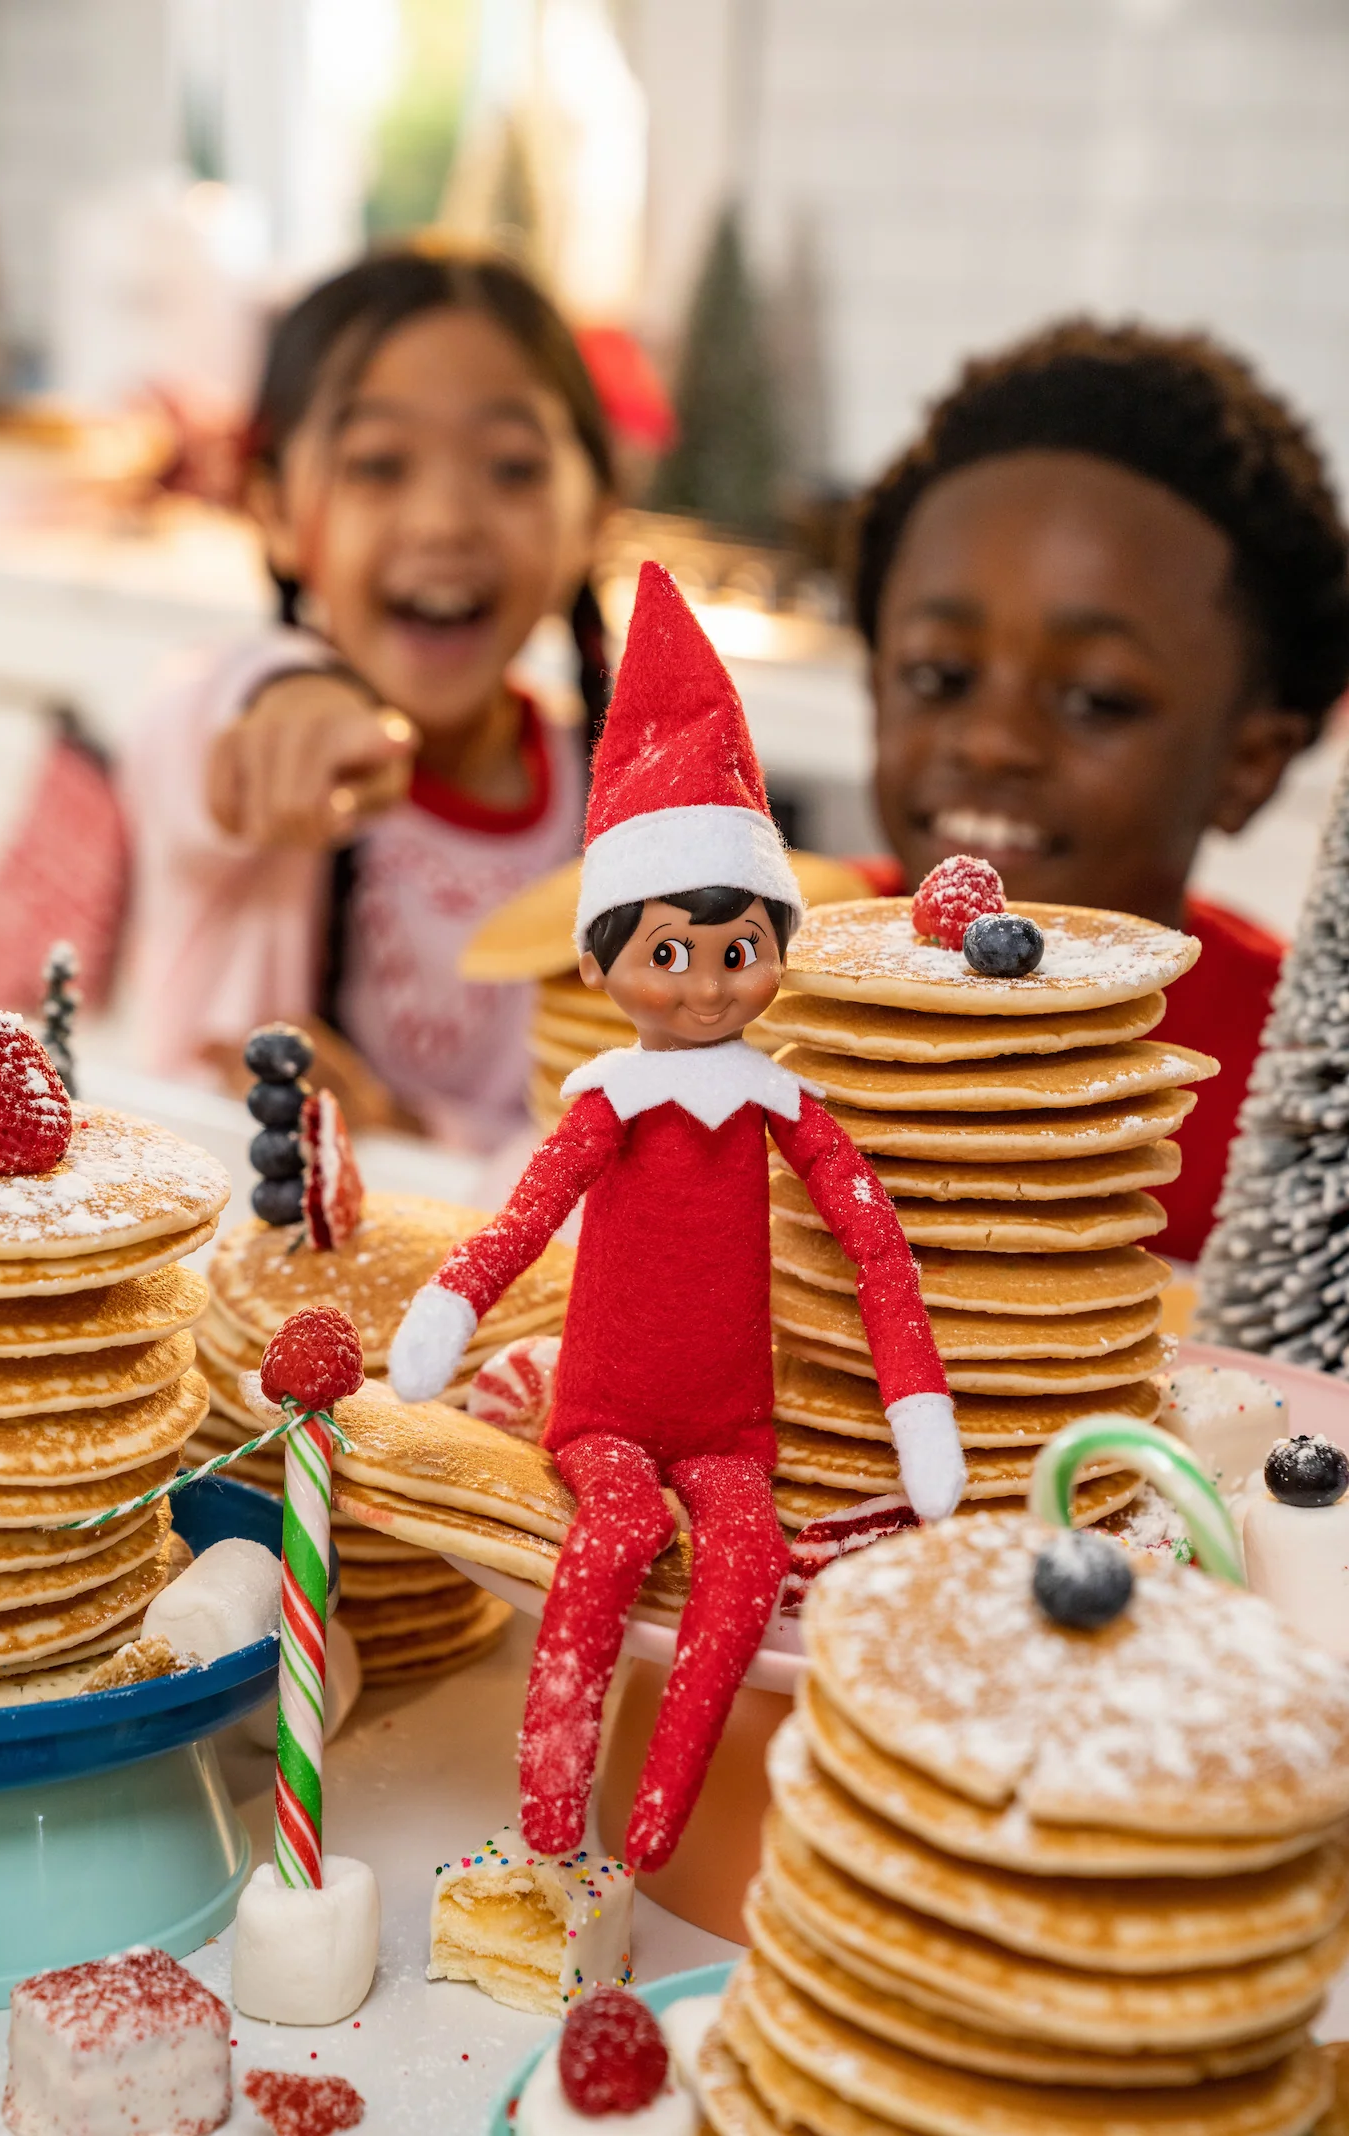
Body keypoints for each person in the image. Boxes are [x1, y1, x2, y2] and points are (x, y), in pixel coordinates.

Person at [388, 563, 961, 1871]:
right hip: (600, 1413)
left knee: (746, 1563)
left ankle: (652, 1830)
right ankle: (548, 1821)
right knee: (614, 1535)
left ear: (776, 949)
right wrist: (451, 1304)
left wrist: (915, 1410)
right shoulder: (608, 1103)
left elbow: (877, 1249)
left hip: (730, 1427)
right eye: (666, 954)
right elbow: (524, 1219)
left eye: (735, 950)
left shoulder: (786, 1107)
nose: (703, 986)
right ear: (599, 963)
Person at [848, 319, 1349, 1260]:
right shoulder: (755, 969)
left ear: (1251, 762)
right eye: (939, 676)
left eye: (1095, 699)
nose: (993, 741)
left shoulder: (1307, 1092)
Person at [125, 243, 613, 1148]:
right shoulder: (244, 745)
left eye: (511, 468)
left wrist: (404, 1135)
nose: (443, 521)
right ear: (269, 509)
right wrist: (283, 699)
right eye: (379, 464)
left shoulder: (618, 829)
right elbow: (182, 730)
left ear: (596, 514)